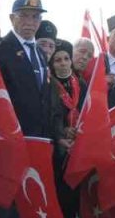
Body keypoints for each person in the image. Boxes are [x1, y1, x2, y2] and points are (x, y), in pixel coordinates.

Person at [0, 0, 58, 218]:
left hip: (37, 141)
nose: (30, 22)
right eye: (24, 16)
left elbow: (44, 98)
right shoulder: (3, 50)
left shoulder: (39, 52)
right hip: (10, 139)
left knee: (28, 201)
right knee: (5, 201)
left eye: (35, 17)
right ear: (12, 18)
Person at [47, 40, 80, 218]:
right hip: (57, 147)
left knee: (74, 198)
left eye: (66, 58)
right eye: (57, 60)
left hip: (78, 145)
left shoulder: (80, 82)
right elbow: (48, 114)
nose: (63, 63)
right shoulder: (48, 84)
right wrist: (62, 132)